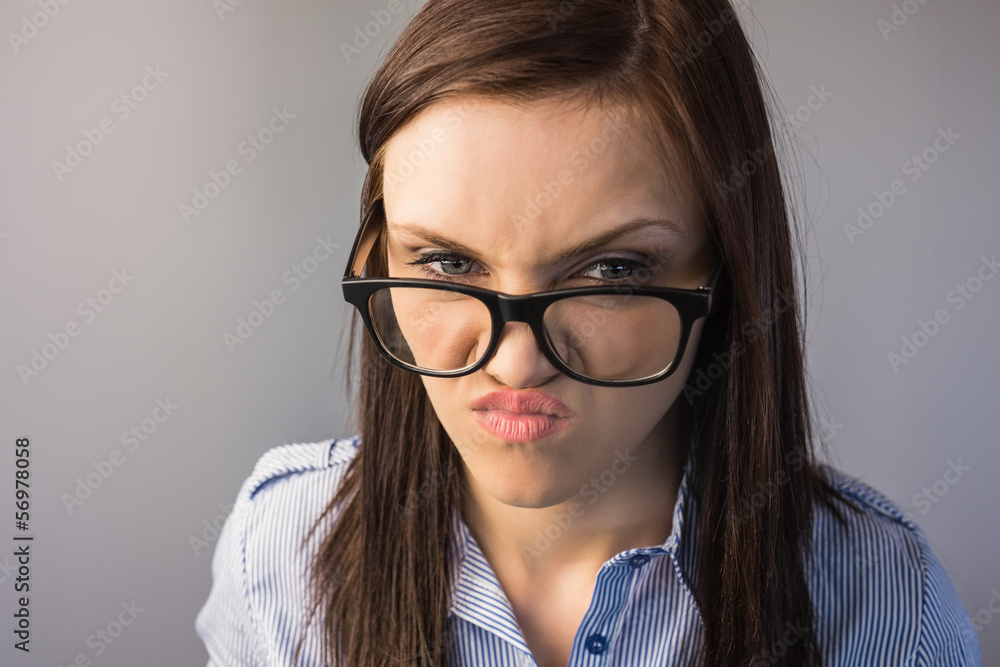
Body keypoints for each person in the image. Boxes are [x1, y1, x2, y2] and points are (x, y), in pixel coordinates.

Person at [195, 0, 981, 665]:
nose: (516, 360)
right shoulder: (279, 557)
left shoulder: (887, 605)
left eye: (608, 273)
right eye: (445, 262)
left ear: (727, 274)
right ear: (380, 254)